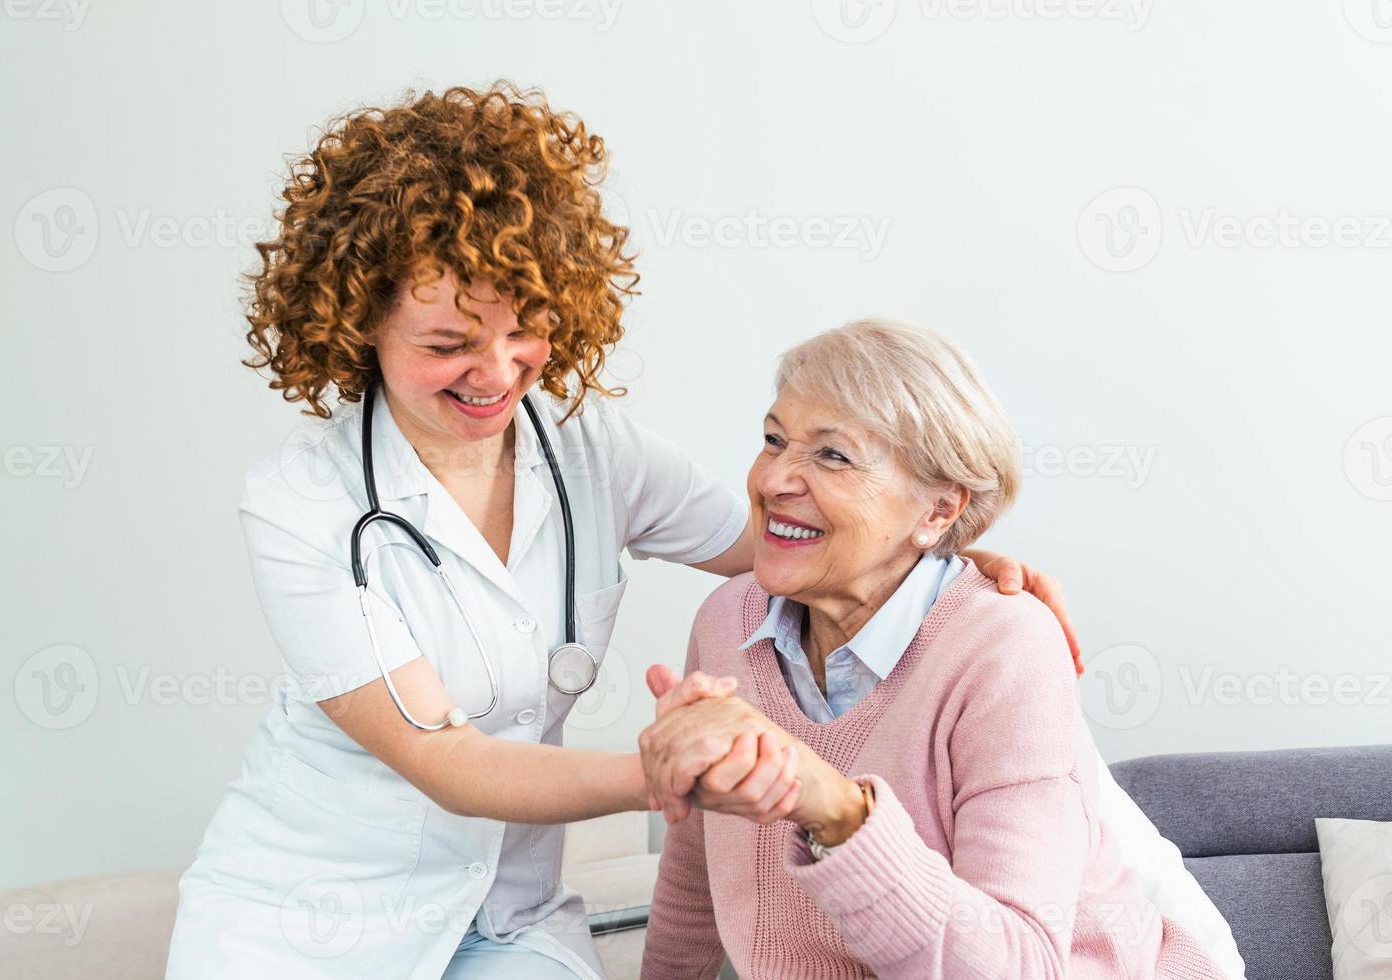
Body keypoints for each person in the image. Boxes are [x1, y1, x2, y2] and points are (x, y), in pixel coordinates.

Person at [163, 84, 1071, 979]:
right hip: (309, 913)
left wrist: (943, 557)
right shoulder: (302, 503)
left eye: (525, 329)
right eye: (447, 344)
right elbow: (446, 761)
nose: (496, 371)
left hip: (508, 919)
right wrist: (673, 770)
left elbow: (787, 541)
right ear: (355, 323)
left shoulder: (591, 451)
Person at [638, 321, 1241, 979]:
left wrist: (838, 814)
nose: (775, 478)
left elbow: (1021, 966)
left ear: (936, 512)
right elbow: (694, 875)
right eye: (774, 439)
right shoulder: (727, 622)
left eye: (833, 456)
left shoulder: (1005, 650)